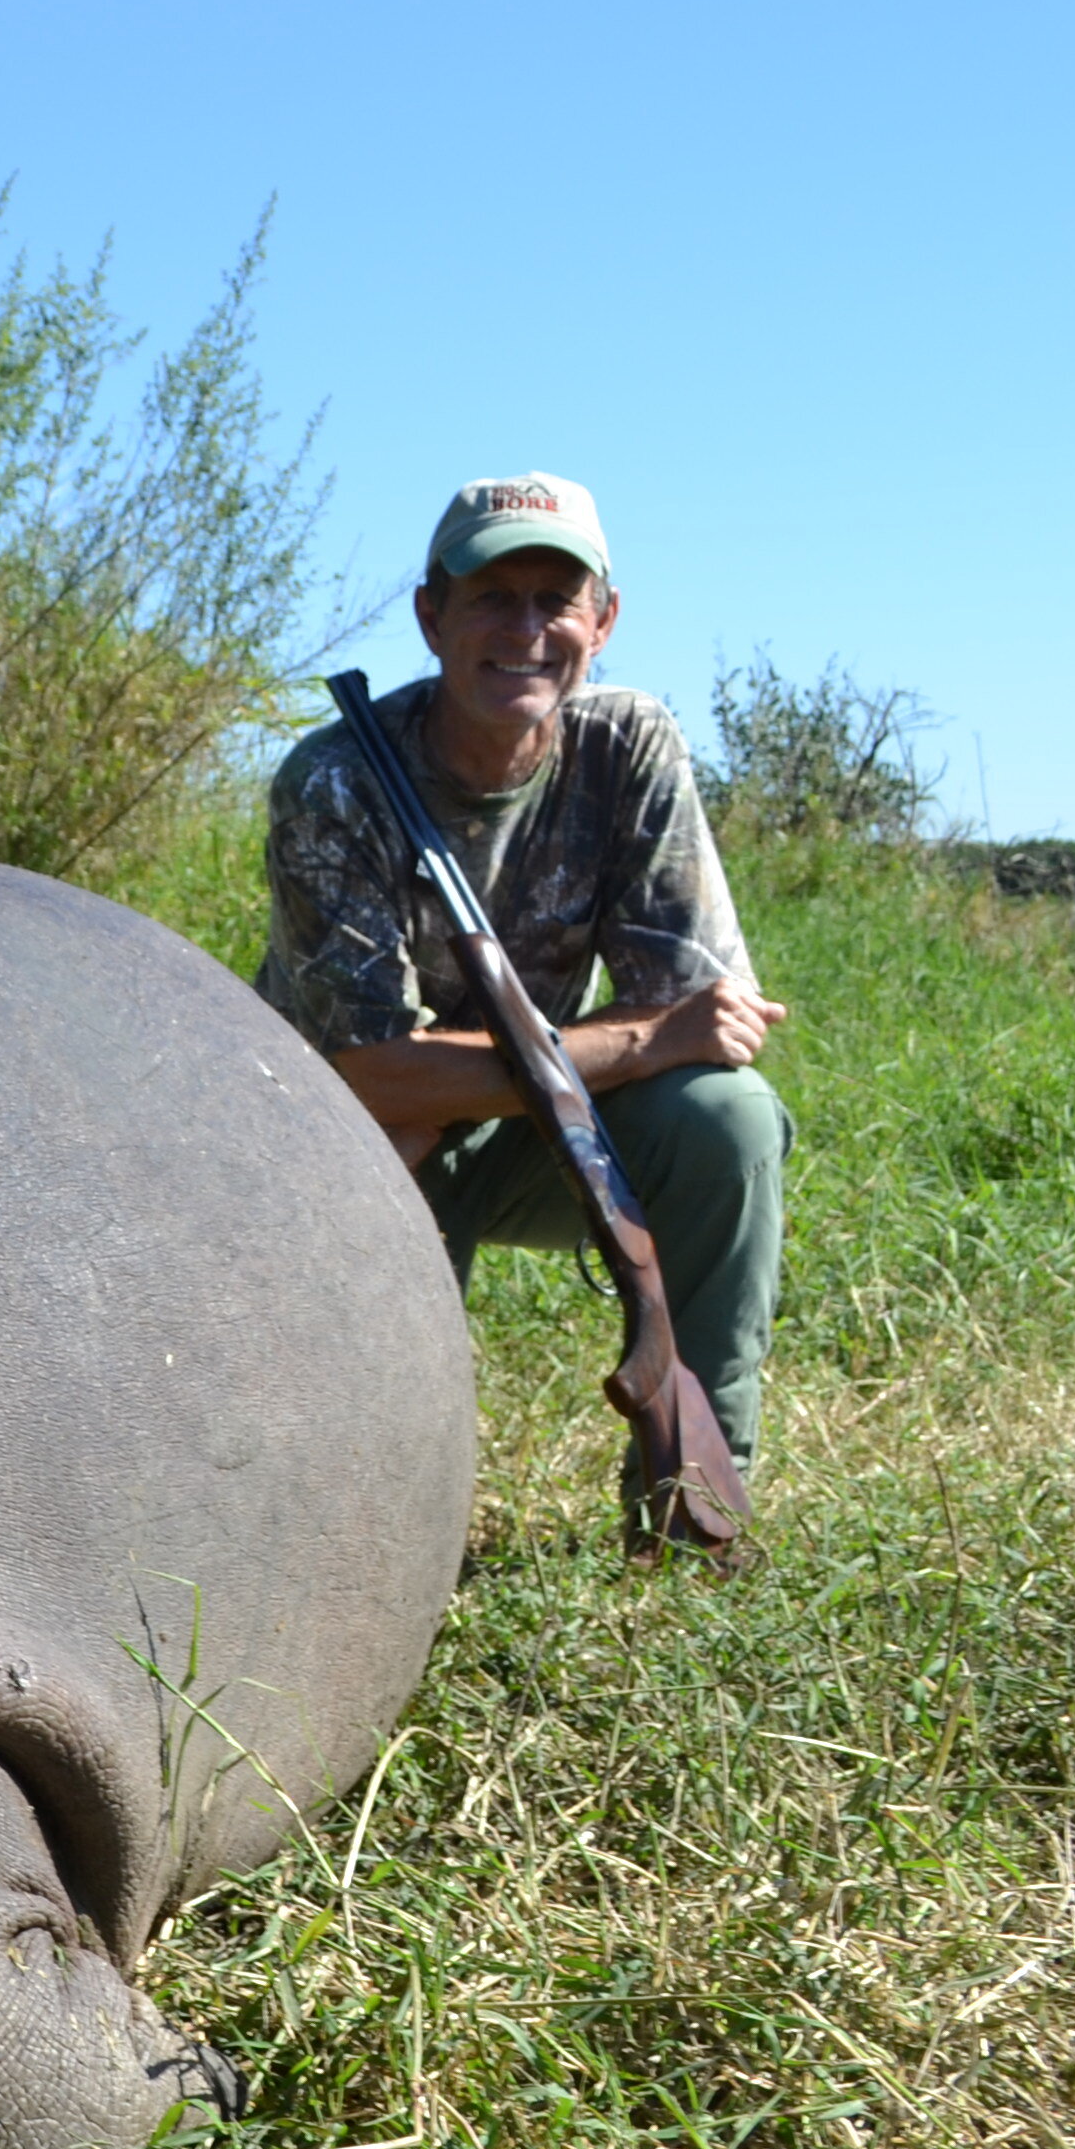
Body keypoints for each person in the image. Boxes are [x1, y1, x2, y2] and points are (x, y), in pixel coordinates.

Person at [260, 473, 789, 1506]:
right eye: (493, 598)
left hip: (512, 1129)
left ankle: (698, 1499)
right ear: (431, 616)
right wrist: (633, 1045)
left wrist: (634, 1050)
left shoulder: (629, 743)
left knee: (726, 1119)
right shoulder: (336, 780)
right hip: (347, 1148)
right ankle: (365, 1524)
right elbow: (367, 1078)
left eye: (557, 599)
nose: (528, 630)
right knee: (371, 1461)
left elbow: (715, 1028)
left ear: (605, 620)